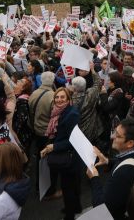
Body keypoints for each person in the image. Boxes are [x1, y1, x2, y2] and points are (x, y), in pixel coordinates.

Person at [87, 119, 134, 220]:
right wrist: (107, 161)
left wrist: (94, 178)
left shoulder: (123, 174)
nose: (112, 137)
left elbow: (101, 208)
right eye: (114, 132)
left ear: (130, 143)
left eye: (118, 136)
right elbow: (127, 159)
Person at [40, 88, 82, 220]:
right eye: (57, 97)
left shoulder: (72, 114)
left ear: (68, 99)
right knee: (72, 186)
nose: (59, 100)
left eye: (62, 97)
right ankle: (76, 207)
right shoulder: (60, 111)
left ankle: (69, 216)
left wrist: (54, 146)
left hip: (70, 157)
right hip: (66, 154)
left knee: (68, 188)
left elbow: (74, 140)